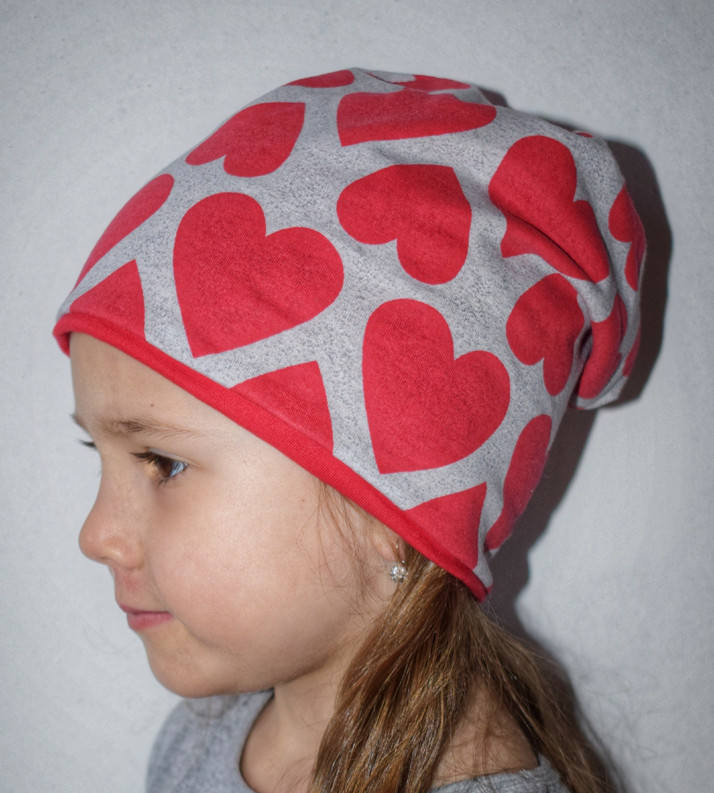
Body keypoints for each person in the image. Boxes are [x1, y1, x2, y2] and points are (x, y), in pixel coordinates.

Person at [54, 68, 645, 793]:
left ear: (392, 505)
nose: (96, 535)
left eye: (161, 461)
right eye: (99, 452)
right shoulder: (203, 738)